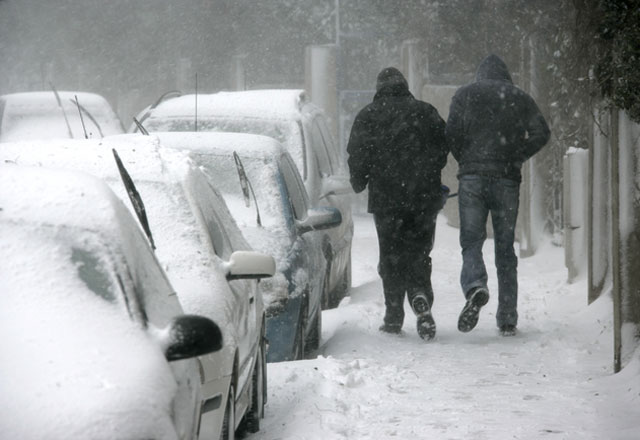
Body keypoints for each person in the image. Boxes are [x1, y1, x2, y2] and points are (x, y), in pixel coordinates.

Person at [446, 54, 551, 336]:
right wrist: (517, 156)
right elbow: (542, 133)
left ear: (480, 74)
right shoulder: (519, 96)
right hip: (506, 179)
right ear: (506, 76)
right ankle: (507, 318)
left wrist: (466, 160)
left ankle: (475, 286)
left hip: (472, 178)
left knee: (471, 241)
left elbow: (451, 133)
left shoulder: (464, 94)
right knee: (505, 249)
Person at [347, 67, 448, 340]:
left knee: (391, 256)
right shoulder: (426, 112)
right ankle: (420, 295)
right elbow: (443, 146)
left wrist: (360, 180)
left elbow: (357, 153)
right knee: (419, 253)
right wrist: (430, 173)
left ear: (379, 88)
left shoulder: (368, 116)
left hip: (386, 200)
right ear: (405, 86)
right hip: (423, 199)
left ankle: (393, 317)